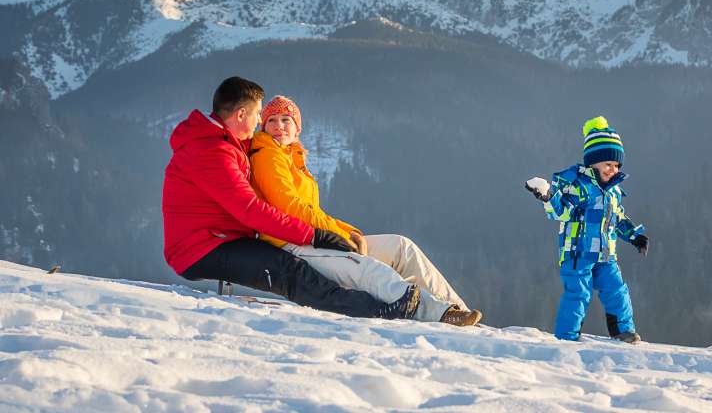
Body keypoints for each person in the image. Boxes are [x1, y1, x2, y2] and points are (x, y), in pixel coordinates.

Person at [162, 76, 419, 320]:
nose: (258, 124)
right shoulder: (213, 152)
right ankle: (376, 311)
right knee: (288, 270)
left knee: (289, 264)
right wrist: (314, 235)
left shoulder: (223, 142)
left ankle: (377, 304)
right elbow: (251, 210)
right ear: (241, 114)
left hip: (220, 237)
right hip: (200, 248)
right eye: (257, 115)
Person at [248, 95, 482, 326]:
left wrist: (347, 231)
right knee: (369, 269)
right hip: (291, 243)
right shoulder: (268, 154)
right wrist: (338, 236)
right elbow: (289, 207)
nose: (279, 126)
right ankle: (438, 313)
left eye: (286, 119)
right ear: (264, 126)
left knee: (402, 248)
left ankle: (458, 310)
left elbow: (312, 211)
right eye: (272, 120)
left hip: (313, 237)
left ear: (297, 128)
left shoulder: (292, 157)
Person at [525, 116, 649, 343]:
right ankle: (567, 336)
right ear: (594, 162)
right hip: (578, 254)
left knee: (617, 290)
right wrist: (549, 196)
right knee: (578, 294)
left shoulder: (613, 191)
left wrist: (635, 236)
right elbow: (562, 212)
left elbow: (618, 217)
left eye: (617, 165)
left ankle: (624, 330)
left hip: (605, 255)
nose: (613, 169)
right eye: (608, 164)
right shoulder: (579, 185)